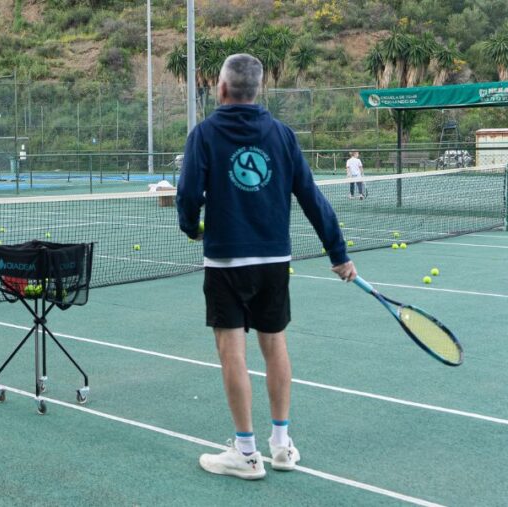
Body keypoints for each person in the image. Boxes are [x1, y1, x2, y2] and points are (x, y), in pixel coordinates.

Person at [176, 54, 357, 480]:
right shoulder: (281, 135)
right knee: (275, 345)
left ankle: (245, 452)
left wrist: (191, 227)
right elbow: (312, 196)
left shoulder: (204, 134)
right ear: (258, 90)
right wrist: (338, 253)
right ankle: (280, 445)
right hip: (274, 261)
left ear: (221, 89)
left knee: (231, 351)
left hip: (226, 261)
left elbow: (187, 194)